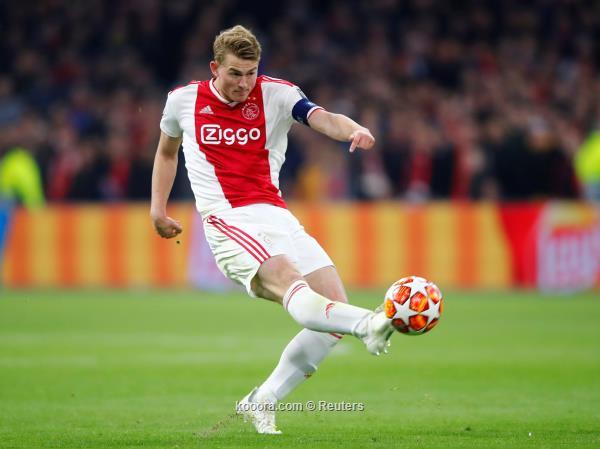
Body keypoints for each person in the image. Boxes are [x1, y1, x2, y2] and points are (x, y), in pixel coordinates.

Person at [150, 25, 394, 434]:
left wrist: (353, 129)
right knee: (294, 287)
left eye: (251, 73)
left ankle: (262, 400)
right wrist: (158, 208)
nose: (244, 84)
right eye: (234, 73)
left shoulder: (277, 93)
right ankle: (369, 324)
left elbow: (322, 117)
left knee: (333, 307)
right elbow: (165, 152)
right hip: (228, 219)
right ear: (215, 67)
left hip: (278, 216)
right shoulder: (182, 101)